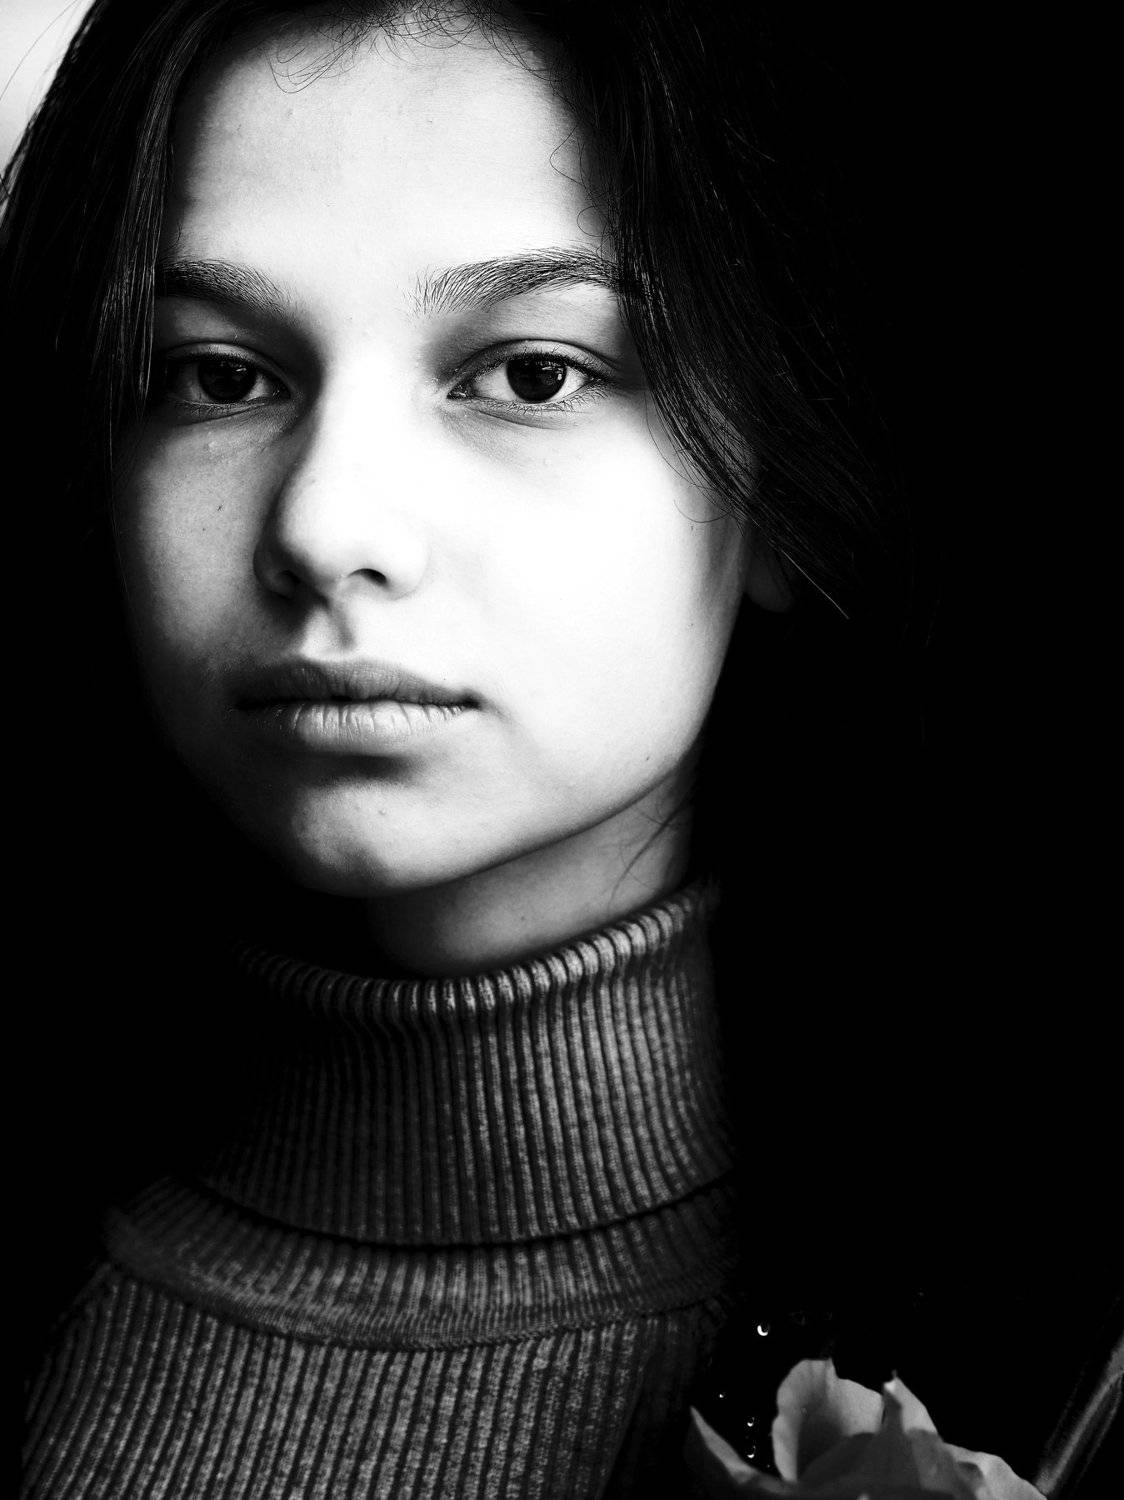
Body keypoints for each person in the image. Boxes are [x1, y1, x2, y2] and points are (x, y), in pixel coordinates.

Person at [8, 2, 1118, 1496]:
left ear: (779, 485)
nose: (327, 524)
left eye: (531, 374)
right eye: (218, 374)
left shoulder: (1050, 1359)